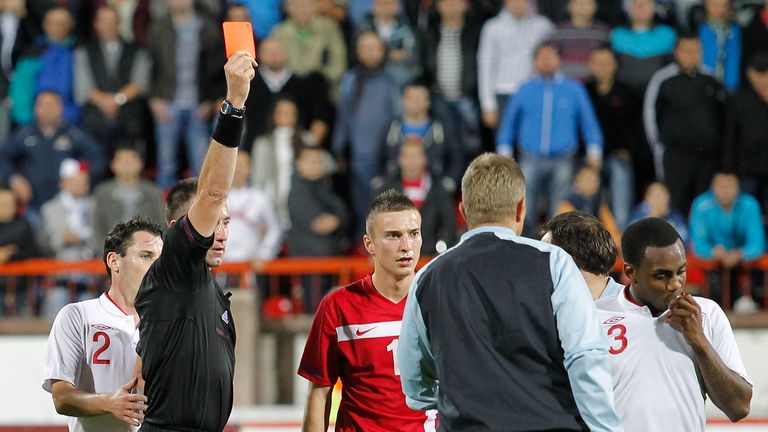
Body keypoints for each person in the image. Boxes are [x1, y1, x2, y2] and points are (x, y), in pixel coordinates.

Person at [398, 153, 622, 431]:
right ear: (520, 209)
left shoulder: (427, 278)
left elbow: (414, 384)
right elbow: (585, 356)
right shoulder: (554, 263)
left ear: (463, 211)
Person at [134, 51, 255, 432]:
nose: (221, 232)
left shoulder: (213, 293)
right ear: (176, 229)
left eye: (227, 224)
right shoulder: (174, 267)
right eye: (213, 222)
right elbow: (213, 194)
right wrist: (234, 106)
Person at [298, 189, 437, 431]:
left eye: (413, 234)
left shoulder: (440, 303)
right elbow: (319, 394)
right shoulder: (338, 307)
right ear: (369, 244)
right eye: (393, 236)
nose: (406, 246)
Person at [596, 217, 752, 430]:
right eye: (662, 276)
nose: (676, 284)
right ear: (631, 272)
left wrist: (698, 341)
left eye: (681, 271)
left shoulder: (707, 313)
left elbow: (739, 407)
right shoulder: (597, 315)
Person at [42, 216, 164, 431]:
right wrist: (109, 402)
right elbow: (61, 397)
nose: (156, 266)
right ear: (114, 261)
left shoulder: (168, 323)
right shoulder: (78, 316)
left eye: (160, 259)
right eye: (146, 256)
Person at [497, 42, 603, 235]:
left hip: (563, 157)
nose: (546, 61)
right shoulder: (524, 89)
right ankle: (526, 241)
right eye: (541, 57)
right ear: (535, 61)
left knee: (560, 207)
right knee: (523, 204)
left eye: (551, 56)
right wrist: (504, 150)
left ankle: (556, 243)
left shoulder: (574, 88)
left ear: (560, 60)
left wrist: (594, 150)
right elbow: (509, 122)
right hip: (530, 156)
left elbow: (588, 122)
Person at [644, 33, 725, 213]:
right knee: (674, 203)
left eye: (696, 50)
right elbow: (650, 114)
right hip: (675, 155)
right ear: (676, 52)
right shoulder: (663, 79)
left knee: (705, 205)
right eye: (686, 51)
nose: (691, 55)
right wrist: (658, 145)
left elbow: (722, 116)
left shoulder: (710, 78)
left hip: (707, 157)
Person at [689, 171, 766, 310]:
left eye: (730, 186)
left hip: (743, 263)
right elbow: (697, 244)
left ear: (738, 188)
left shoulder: (750, 205)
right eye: (721, 186)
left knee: (757, 277)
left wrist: (740, 254)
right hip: (713, 266)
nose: (725, 191)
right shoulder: (701, 204)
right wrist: (714, 252)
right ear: (713, 187)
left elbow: (757, 244)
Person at [477, 0, 553, 129]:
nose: (517, 3)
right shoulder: (493, 27)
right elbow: (485, 66)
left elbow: (553, 57)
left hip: (533, 92)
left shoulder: (543, 26)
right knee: (503, 145)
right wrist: (487, 104)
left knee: (529, 143)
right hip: (502, 93)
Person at [540, 211, 622, 300]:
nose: (539, 265)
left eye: (545, 257)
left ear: (571, 261)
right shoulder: (545, 306)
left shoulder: (635, 307)